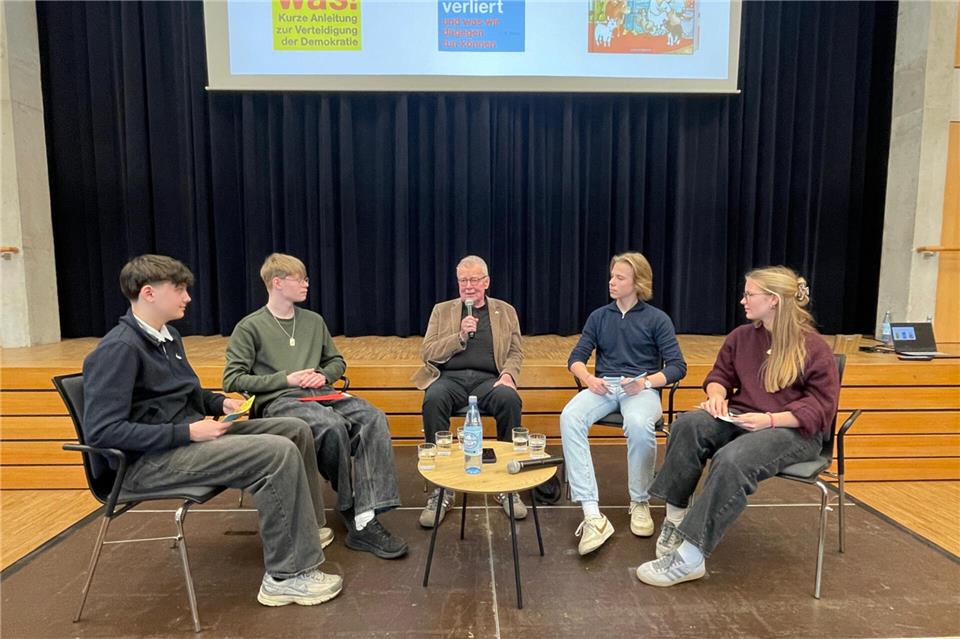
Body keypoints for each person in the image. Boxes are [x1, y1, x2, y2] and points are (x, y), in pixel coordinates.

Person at [82, 255, 341, 607]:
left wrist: (221, 403)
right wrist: (186, 433)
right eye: (179, 289)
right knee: (275, 452)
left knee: (294, 429)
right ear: (148, 293)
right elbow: (102, 433)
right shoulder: (119, 349)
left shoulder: (168, 336)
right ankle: (286, 576)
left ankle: (305, 531)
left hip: (183, 441)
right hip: (147, 463)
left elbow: (187, 392)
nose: (188, 297)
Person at [636, 266, 840, 587]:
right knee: (689, 424)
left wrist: (770, 420)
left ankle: (690, 557)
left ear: (773, 300)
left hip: (793, 430)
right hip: (744, 416)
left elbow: (821, 408)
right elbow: (720, 376)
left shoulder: (813, 347)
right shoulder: (742, 337)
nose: (742, 300)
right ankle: (675, 521)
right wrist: (716, 396)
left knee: (733, 459)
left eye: (749, 294)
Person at [223, 253, 407, 559]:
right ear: (277, 283)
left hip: (322, 393)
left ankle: (366, 515)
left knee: (373, 417)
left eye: (306, 278)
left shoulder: (313, 321)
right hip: (281, 400)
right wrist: (286, 379)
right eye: (300, 279)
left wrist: (323, 375)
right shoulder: (250, 327)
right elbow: (232, 379)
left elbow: (336, 361)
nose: (307, 284)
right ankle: (352, 509)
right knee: (331, 426)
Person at [560, 252, 687, 555]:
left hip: (641, 388)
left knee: (639, 423)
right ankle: (592, 513)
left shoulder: (657, 319)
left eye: (620, 277)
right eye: (612, 276)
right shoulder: (599, 316)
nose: (612, 282)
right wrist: (588, 378)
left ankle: (639, 501)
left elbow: (677, 366)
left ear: (637, 282)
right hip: (604, 385)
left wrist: (646, 382)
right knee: (569, 416)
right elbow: (576, 358)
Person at [412, 255, 525, 526]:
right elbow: (428, 353)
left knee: (509, 398)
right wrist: (460, 336)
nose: (468, 286)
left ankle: (508, 486)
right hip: (449, 378)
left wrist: (508, 375)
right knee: (433, 398)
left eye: (474, 279)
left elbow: (515, 352)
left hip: (489, 380)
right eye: (463, 280)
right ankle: (442, 489)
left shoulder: (505, 311)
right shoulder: (442, 310)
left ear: (486, 282)